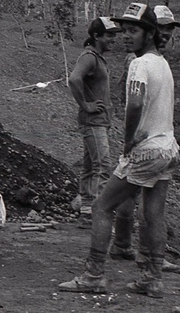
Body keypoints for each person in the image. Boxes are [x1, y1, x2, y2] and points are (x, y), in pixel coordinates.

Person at [60, 2, 180, 298]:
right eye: (124, 30)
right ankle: (153, 279)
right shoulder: (161, 62)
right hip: (168, 149)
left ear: (149, 33)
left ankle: (94, 275)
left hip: (145, 150)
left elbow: (136, 103)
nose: (126, 36)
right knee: (154, 215)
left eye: (133, 30)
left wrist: (128, 142)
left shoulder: (139, 65)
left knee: (102, 206)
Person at [110, 5, 180, 273]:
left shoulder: (155, 60)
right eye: (163, 29)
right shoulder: (139, 60)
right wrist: (131, 135)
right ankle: (128, 247)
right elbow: (133, 101)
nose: (166, 35)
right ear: (153, 31)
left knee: (143, 202)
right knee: (130, 196)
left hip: (150, 138)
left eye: (169, 30)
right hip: (145, 138)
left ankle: (140, 253)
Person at [68, 17, 120, 229]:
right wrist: (86, 104)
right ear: (96, 36)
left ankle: (88, 211)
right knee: (103, 164)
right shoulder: (89, 58)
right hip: (93, 121)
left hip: (99, 121)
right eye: (109, 35)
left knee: (90, 165)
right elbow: (73, 79)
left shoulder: (98, 58)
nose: (113, 39)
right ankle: (101, 211)